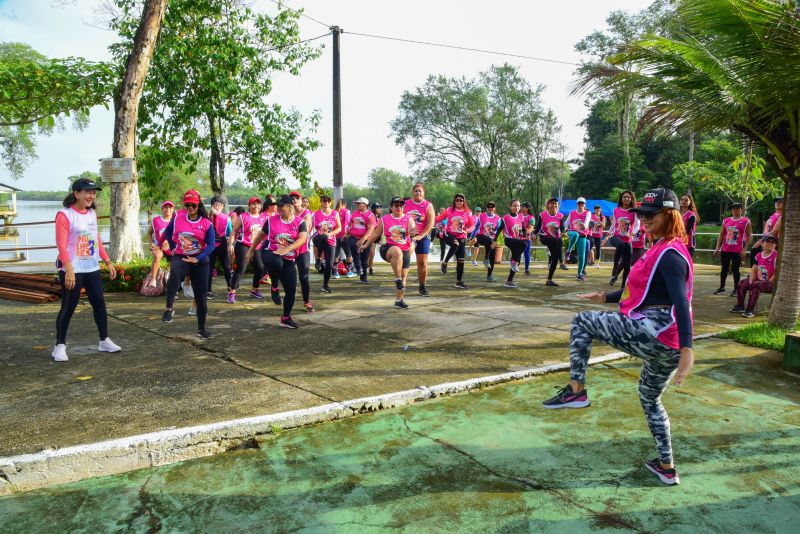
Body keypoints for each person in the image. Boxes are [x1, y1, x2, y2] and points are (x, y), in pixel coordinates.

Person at [543, 188, 694, 486]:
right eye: (642, 214)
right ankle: (667, 466)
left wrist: (689, 347)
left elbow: (680, 301)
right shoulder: (661, 248)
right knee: (650, 398)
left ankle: (576, 389)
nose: (645, 219)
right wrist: (605, 296)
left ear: (670, 215)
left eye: (652, 215)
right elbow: (649, 292)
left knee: (582, 321)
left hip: (656, 332)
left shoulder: (670, 255)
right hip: (667, 345)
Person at [52, 178, 121, 362]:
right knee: (68, 307)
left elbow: (96, 238)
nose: (91, 196)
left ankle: (104, 340)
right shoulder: (64, 215)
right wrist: (69, 270)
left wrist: (107, 262)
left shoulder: (91, 214)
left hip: (91, 267)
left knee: (99, 304)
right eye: (87, 192)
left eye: (93, 192)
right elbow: (61, 244)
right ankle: (59, 346)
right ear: (76, 194)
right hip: (71, 268)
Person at [160, 190, 216, 339]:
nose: (190, 208)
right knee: (175, 272)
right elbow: (167, 231)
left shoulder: (206, 223)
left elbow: (211, 245)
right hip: (182, 256)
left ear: (198, 205)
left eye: (193, 205)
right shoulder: (178, 216)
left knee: (201, 297)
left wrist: (199, 258)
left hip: (200, 260)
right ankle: (169, 308)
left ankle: (201, 329)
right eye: (187, 205)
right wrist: (170, 246)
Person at [248, 194, 308, 329]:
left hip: (288, 257)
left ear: (289, 206)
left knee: (291, 289)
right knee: (277, 262)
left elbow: (302, 239)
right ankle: (274, 286)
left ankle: (286, 318)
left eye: (281, 206)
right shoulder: (271, 220)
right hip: (270, 252)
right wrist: (250, 250)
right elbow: (260, 236)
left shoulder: (299, 222)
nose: (278, 208)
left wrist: (287, 249)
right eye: (277, 206)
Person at [362, 196, 416, 308]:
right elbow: (376, 234)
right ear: (391, 207)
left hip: (404, 248)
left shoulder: (408, 219)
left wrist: (413, 232)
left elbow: (412, 231)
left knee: (404, 276)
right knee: (397, 252)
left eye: (401, 205)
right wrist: (366, 244)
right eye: (396, 205)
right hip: (388, 248)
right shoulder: (385, 219)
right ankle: (397, 278)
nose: (399, 207)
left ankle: (399, 300)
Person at [229, 197, 267, 302]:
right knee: (241, 268)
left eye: (258, 204)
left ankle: (254, 289)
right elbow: (234, 231)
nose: (256, 206)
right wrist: (230, 244)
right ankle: (232, 292)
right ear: (249, 206)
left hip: (257, 246)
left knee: (260, 268)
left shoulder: (264, 217)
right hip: (244, 245)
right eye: (253, 204)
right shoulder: (243, 217)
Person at [435, 193, 476, 289]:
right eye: (457, 200)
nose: (459, 202)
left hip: (461, 237)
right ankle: (444, 263)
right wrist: (429, 218)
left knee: (461, 260)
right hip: (449, 234)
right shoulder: (449, 210)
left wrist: (467, 231)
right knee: (455, 243)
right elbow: (439, 218)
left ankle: (459, 282)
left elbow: (472, 226)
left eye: (461, 200)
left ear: (463, 201)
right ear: (454, 201)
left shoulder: (468, 212)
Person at [731, 235, 778, 318]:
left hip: (772, 282)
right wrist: (750, 281)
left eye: (773, 242)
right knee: (742, 283)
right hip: (759, 280)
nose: (770, 243)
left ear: (775, 245)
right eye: (768, 241)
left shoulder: (777, 256)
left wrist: (769, 281)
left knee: (756, 285)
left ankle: (750, 310)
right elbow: (753, 270)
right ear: (762, 243)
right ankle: (740, 306)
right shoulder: (758, 255)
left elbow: (778, 272)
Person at [713, 203, 752, 296]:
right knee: (724, 269)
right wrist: (717, 248)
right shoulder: (726, 221)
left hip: (737, 250)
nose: (735, 211)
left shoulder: (746, 221)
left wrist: (745, 249)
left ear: (741, 210)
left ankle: (736, 289)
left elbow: (749, 236)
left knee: (735, 269)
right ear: (732, 211)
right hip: (725, 249)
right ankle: (722, 288)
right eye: (734, 209)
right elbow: (721, 235)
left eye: (738, 209)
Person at [405, 183, 436, 296]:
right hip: (408, 235)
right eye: (416, 191)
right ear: (413, 192)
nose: (418, 193)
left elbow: (430, 223)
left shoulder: (428, 205)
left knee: (422, 263)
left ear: (423, 193)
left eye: (420, 191)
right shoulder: (406, 204)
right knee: (404, 257)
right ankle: (401, 281)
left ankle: (422, 286)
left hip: (423, 235)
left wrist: (421, 235)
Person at [603, 190, 639, 288]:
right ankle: (615, 268)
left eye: (628, 197)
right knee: (621, 244)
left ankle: (623, 286)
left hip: (628, 239)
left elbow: (637, 226)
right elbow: (614, 224)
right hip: (616, 236)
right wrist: (608, 235)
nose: (626, 199)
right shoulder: (616, 210)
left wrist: (632, 233)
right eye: (624, 197)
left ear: (631, 199)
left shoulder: (634, 211)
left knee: (627, 264)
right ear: (621, 199)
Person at [493, 199, 528, 288]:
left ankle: (509, 281)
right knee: (524, 244)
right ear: (510, 207)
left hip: (518, 240)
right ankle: (513, 261)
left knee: (518, 261)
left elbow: (523, 229)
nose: (516, 207)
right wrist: (495, 240)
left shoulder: (521, 217)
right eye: (514, 205)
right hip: (509, 240)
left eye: (518, 206)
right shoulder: (505, 218)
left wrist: (524, 235)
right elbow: (499, 229)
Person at [289, 191, 315, 312]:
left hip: (303, 249)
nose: (294, 200)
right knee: (288, 276)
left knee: (304, 276)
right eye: (292, 198)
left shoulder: (307, 214)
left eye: (297, 198)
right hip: (289, 250)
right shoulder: (287, 214)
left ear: (301, 201)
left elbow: (304, 231)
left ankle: (307, 301)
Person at [533, 198, 567, 287]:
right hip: (545, 237)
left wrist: (564, 233)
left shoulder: (560, 216)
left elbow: (562, 228)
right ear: (548, 205)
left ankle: (549, 280)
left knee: (554, 259)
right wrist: (533, 234)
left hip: (555, 240)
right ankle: (562, 262)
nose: (554, 205)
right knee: (558, 240)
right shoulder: (542, 215)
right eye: (552, 203)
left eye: (556, 204)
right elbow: (537, 227)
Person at [312, 195, 342, 293]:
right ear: (321, 202)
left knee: (329, 265)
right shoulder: (315, 214)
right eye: (324, 201)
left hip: (330, 240)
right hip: (318, 238)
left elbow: (339, 228)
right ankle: (318, 259)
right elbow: (310, 227)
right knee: (323, 237)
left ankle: (325, 285)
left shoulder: (335, 214)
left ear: (330, 203)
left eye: (328, 201)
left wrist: (331, 234)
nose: (326, 203)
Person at [207, 197, 233, 300]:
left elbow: (230, 232)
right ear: (212, 205)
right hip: (210, 244)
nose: (217, 206)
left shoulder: (227, 218)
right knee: (209, 268)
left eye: (220, 205)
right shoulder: (207, 217)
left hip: (221, 243)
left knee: (226, 266)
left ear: (223, 206)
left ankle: (230, 286)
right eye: (215, 204)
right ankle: (208, 290)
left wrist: (230, 244)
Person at [347, 197, 377, 283]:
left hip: (366, 239)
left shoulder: (370, 215)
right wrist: (346, 233)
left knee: (364, 259)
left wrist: (363, 240)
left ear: (365, 205)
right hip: (354, 236)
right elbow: (350, 224)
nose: (357, 205)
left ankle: (363, 277)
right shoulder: (355, 213)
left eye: (359, 203)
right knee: (353, 246)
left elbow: (371, 229)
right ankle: (357, 267)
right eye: (357, 203)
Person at [146, 201, 175, 288]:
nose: (168, 209)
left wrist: (170, 243)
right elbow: (149, 233)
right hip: (159, 246)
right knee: (157, 255)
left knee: (173, 268)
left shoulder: (176, 221)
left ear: (173, 209)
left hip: (172, 247)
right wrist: (151, 243)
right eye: (165, 207)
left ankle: (173, 288)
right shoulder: (156, 220)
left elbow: (179, 236)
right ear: (162, 209)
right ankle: (153, 279)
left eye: (170, 207)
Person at [750, 197, 783, 266]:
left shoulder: (783, 215)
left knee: (756, 249)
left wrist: (762, 240)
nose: (777, 203)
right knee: (754, 249)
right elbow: (766, 230)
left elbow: (774, 232)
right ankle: (754, 270)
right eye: (776, 201)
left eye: (780, 201)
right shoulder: (772, 216)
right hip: (767, 239)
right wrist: (763, 239)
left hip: (776, 242)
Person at [566, 197, 592, 281]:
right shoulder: (572, 212)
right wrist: (562, 229)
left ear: (585, 204)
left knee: (582, 256)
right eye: (579, 203)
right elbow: (566, 223)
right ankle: (569, 251)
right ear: (577, 204)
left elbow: (586, 224)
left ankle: (579, 274)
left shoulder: (587, 213)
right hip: (572, 233)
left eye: (582, 203)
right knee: (575, 234)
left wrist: (583, 225)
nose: (581, 205)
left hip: (582, 235)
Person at [475, 202, 500, 282]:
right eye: (488, 207)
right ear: (486, 208)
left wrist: (496, 240)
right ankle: (486, 259)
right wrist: (471, 236)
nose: (490, 208)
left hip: (491, 239)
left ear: (494, 208)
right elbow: (476, 227)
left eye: (492, 207)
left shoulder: (498, 218)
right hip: (481, 236)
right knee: (489, 240)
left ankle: (489, 275)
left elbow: (498, 231)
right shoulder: (481, 216)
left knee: (492, 254)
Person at [334, 198, 354, 277]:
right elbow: (348, 223)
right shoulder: (347, 211)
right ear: (344, 204)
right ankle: (349, 271)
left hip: (335, 235)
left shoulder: (334, 212)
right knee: (348, 253)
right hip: (344, 235)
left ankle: (335, 272)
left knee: (335, 254)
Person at [367, 202, 383, 276]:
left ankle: (369, 266)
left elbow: (381, 229)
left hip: (376, 237)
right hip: (370, 237)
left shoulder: (380, 218)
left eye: (380, 207)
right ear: (373, 209)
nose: (379, 209)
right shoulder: (371, 216)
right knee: (371, 253)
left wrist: (380, 238)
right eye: (377, 208)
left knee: (372, 254)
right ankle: (369, 267)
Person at [521, 202, 535, 275]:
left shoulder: (531, 218)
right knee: (516, 252)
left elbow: (530, 229)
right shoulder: (518, 216)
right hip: (517, 237)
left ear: (527, 208)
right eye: (522, 206)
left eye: (524, 207)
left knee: (526, 253)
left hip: (526, 238)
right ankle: (515, 266)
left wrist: (523, 233)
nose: (522, 208)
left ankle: (526, 269)